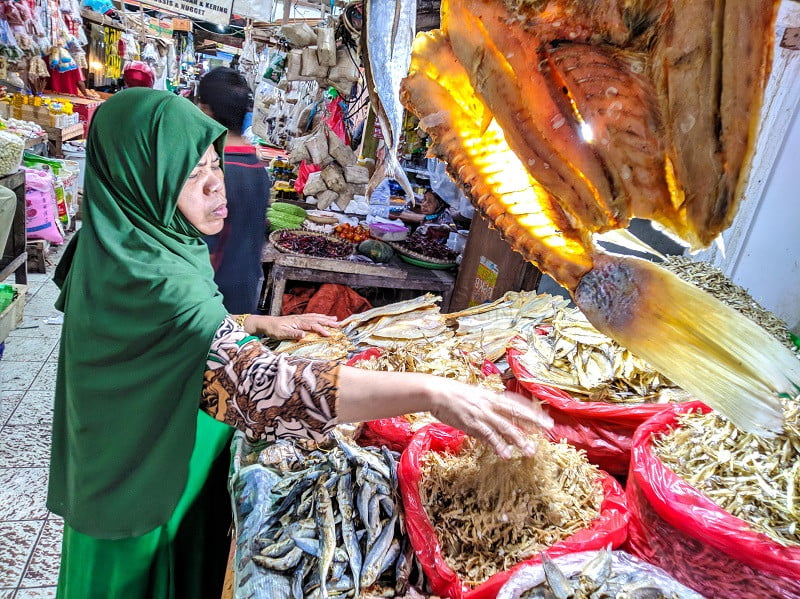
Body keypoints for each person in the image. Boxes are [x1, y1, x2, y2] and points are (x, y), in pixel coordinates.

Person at [48, 88, 551, 598]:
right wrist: (432, 392)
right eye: (192, 176)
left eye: (213, 165)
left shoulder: (122, 242)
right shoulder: (159, 280)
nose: (217, 187)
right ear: (141, 182)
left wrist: (253, 323)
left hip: (121, 454)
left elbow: (156, 335)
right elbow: (264, 388)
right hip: (142, 490)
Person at [196, 67, 268, 315]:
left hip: (211, 299)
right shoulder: (257, 167)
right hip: (244, 292)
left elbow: (203, 247)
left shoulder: (214, 172)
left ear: (206, 110)